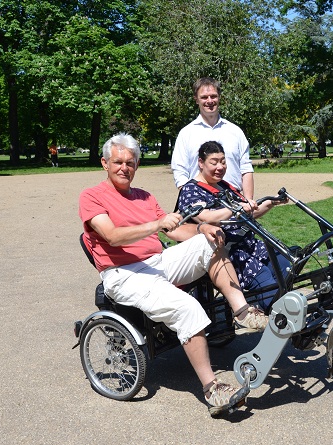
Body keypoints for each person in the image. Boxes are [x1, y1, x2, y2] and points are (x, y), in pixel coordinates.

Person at [78, 133, 268, 414]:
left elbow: (176, 230)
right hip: (123, 274)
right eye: (118, 162)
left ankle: (242, 311)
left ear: (137, 164)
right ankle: (211, 388)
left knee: (213, 240)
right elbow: (113, 236)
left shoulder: (144, 196)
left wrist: (202, 228)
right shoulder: (92, 196)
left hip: (156, 261)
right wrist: (156, 225)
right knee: (187, 307)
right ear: (104, 163)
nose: (124, 168)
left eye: (130, 162)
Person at [177, 140, 290, 311]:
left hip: (248, 244)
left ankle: (296, 318)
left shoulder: (225, 186)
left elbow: (248, 213)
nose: (220, 167)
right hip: (227, 252)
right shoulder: (191, 190)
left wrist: (272, 202)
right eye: (214, 162)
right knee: (266, 281)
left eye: (223, 161)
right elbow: (206, 218)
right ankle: (282, 318)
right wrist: (233, 209)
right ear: (201, 163)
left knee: (286, 265)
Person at [171, 77, 254, 200]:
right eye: (204, 97)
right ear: (196, 100)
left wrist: (248, 201)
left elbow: (246, 169)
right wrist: (190, 198)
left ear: (219, 97)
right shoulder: (186, 133)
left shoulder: (235, 131)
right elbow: (180, 171)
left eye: (213, 96)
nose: (209, 101)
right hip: (201, 204)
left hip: (234, 200)